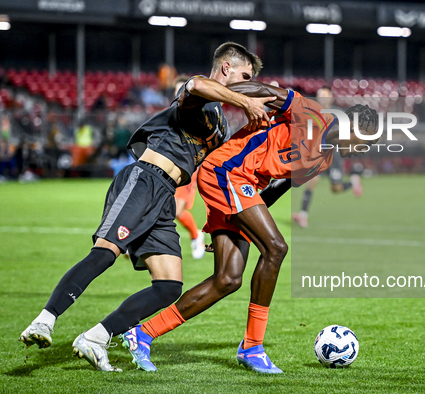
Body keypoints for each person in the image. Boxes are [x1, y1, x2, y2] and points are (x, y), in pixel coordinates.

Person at [19, 42, 276, 372]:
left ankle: (96, 337)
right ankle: (44, 320)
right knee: (105, 252)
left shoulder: (221, 124)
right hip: (144, 179)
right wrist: (246, 100)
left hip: (166, 195)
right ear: (226, 69)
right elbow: (196, 86)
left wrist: (220, 225)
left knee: (169, 285)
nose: (248, 83)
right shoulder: (200, 93)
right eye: (244, 75)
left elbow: (218, 176)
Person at [120, 84, 379, 373]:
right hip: (227, 171)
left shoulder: (323, 159)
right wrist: (220, 93)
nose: (364, 150)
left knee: (227, 280)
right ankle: (252, 347)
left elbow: (277, 188)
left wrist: (243, 224)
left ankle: (142, 334)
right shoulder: (311, 114)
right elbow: (261, 89)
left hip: (244, 190)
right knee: (277, 248)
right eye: (365, 141)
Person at [292, 86, 362, 228]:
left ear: (331, 97)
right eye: (319, 95)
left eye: (325, 95)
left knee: (335, 188)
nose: (322, 97)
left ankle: (353, 183)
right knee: (312, 181)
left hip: (333, 157)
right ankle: (303, 215)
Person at [171, 75, 205, 259]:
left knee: (176, 210)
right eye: (177, 91)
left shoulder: (197, 114)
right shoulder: (169, 113)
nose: (179, 95)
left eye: (182, 91)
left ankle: (195, 236)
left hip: (188, 167)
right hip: (168, 166)